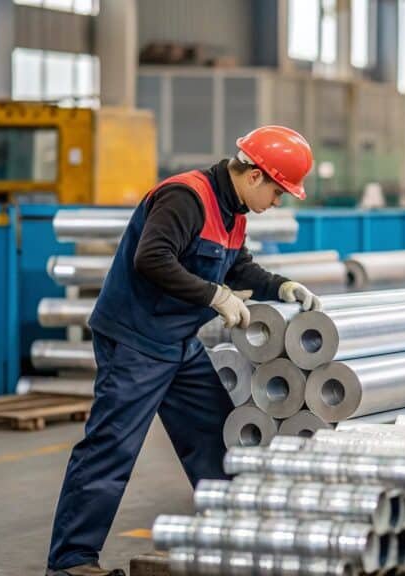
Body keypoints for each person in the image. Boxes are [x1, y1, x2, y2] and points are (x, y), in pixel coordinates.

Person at [46, 126, 322, 576]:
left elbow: (239, 267)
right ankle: (71, 561)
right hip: (135, 340)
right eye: (277, 191)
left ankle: (229, 536)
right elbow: (151, 260)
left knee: (214, 435)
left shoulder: (233, 213)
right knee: (111, 448)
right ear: (254, 176)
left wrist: (282, 286)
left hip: (179, 343)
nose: (278, 201)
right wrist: (216, 297)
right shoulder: (186, 197)